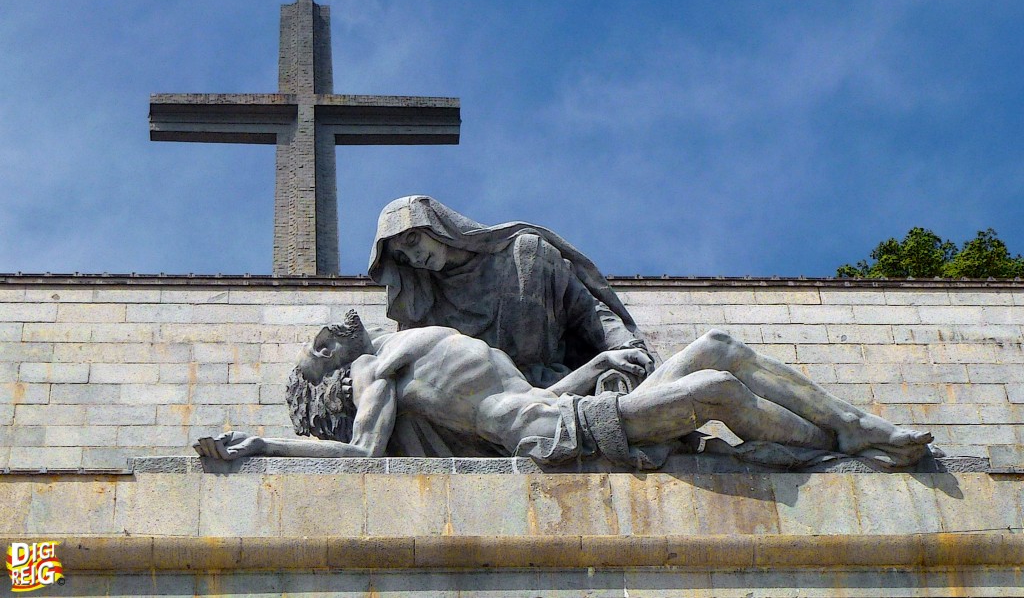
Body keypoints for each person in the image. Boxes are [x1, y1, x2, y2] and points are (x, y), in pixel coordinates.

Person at [195, 311, 934, 468]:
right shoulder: (372, 371)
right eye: (320, 344)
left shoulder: (412, 336)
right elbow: (362, 454)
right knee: (715, 386)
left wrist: (593, 369)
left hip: (568, 404)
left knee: (719, 346)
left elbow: (531, 386)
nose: (333, 329)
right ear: (332, 365)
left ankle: (851, 426)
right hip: (560, 435)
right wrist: (262, 444)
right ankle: (847, 443)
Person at [368, 195, 655, 390]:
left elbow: (589, 314)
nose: (415, 257)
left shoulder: (526, 254)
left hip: (551, 387)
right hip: (479, 406)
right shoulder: (425, 307)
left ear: (436, 222)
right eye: (404, 257)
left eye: (412, 239)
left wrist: (627, 349)